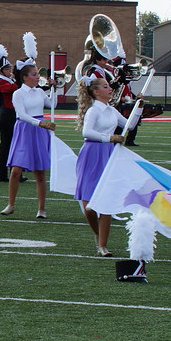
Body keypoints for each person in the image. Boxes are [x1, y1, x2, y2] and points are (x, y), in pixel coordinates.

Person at [75, 75, 132, 256]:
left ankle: (102, 245)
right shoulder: (94, 111)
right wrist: (109, 138)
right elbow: (87, 132)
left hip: (109, 154)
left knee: (106, 199)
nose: (110, 89)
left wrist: (138, 107)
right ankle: (97, 234)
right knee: (89, 204)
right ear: (96, 91)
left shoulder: (111, 110)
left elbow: (129, 125)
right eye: (106, 87)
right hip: (92, 154)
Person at [0, 62, 55, 218]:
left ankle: (41, 209)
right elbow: (22, 114)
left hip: (39, 130)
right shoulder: (18, 93)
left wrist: (54, 89)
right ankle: (11, 204)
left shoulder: (40, 92)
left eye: (37, 74)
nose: (37, 77)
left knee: (40, 172)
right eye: (34, 74)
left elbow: (52, 105)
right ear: (24, 77)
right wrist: (40, 123)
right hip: (25, 129)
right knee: (16, 170)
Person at [0, 57, 18, 182]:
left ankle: (12, 173)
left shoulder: (9, 80)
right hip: (6, 115)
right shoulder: (2, 82)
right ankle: (1, 174)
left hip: (11, 114)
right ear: (1, 71)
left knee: (11, 145)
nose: (10, 71)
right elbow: (9, 89)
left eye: (10, 69)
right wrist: (20, 80)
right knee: (6, 145)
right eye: (7, 69)